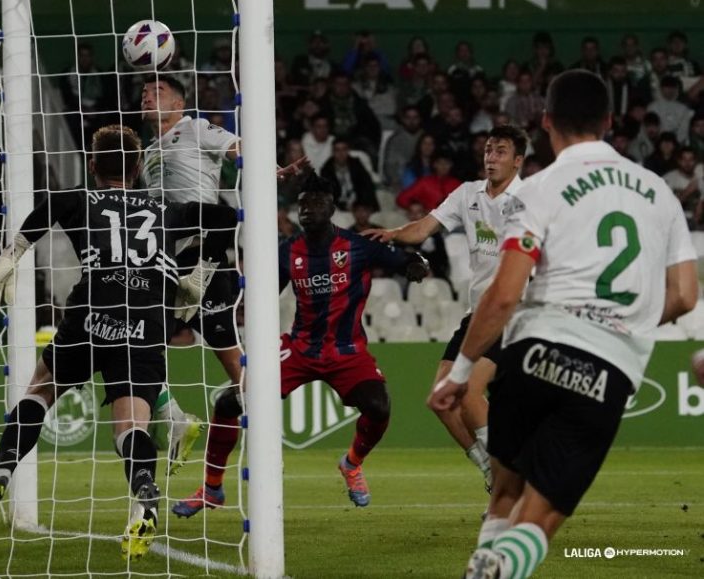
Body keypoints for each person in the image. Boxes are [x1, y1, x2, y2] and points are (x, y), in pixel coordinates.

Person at [428, 70, 698, 579]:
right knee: (541, 516)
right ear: (611, 121)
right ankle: (497, 568)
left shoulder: (538, 189)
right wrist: (628, 321)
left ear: (547, 121)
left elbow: (504, 294)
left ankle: (486, 562)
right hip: (606, 370)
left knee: (505, 492)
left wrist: (460, 373)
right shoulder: (658, 192)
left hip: (535, 354)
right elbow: (685, 295)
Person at [0, 125, 239, 562]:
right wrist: (201, 273)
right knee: (131, 426)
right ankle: (144, 494)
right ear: (139, 166)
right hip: (145, 319)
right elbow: (223, 218)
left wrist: (9, 259)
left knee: (41, 389)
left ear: (91, 164)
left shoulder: (79, 200)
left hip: (91, 313)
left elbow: (48, 208)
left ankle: (1, 474)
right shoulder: (166, 207)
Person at [172, 174, 431, 517]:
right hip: (299, 350)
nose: (308, 208)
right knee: (228, 401)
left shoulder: (359, 245)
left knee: (379, 407)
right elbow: (261, 295)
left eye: (317, 201)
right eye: (303, 202)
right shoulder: (287, 250)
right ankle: (212, 488)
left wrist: (416, 265)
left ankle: (352, 464)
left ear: (332, 207)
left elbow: (410, 259)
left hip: (347, 353)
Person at [139, 75, 307, 470]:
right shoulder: (147, 152)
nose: (147, 97)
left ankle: (265, 444)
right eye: (144, 92)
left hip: (205, 257)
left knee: (232, 360)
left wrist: (274, 170)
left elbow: (239, 148)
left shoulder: (195, 128)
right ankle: (176, 420)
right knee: (137, 344)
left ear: (179, 104)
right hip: (166, 260)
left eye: (157, 92)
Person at [364, 125, 527, 494]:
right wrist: (390, 234)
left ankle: (506, 479)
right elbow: (423, 229)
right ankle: (490, 468)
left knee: (467, 391)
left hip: (514, 312)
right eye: (488, 149)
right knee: (440, 398)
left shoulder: (528, 201)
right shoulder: (468, 194)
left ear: (518, 161)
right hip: (479, 313)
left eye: (501, 151)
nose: (491, 157)